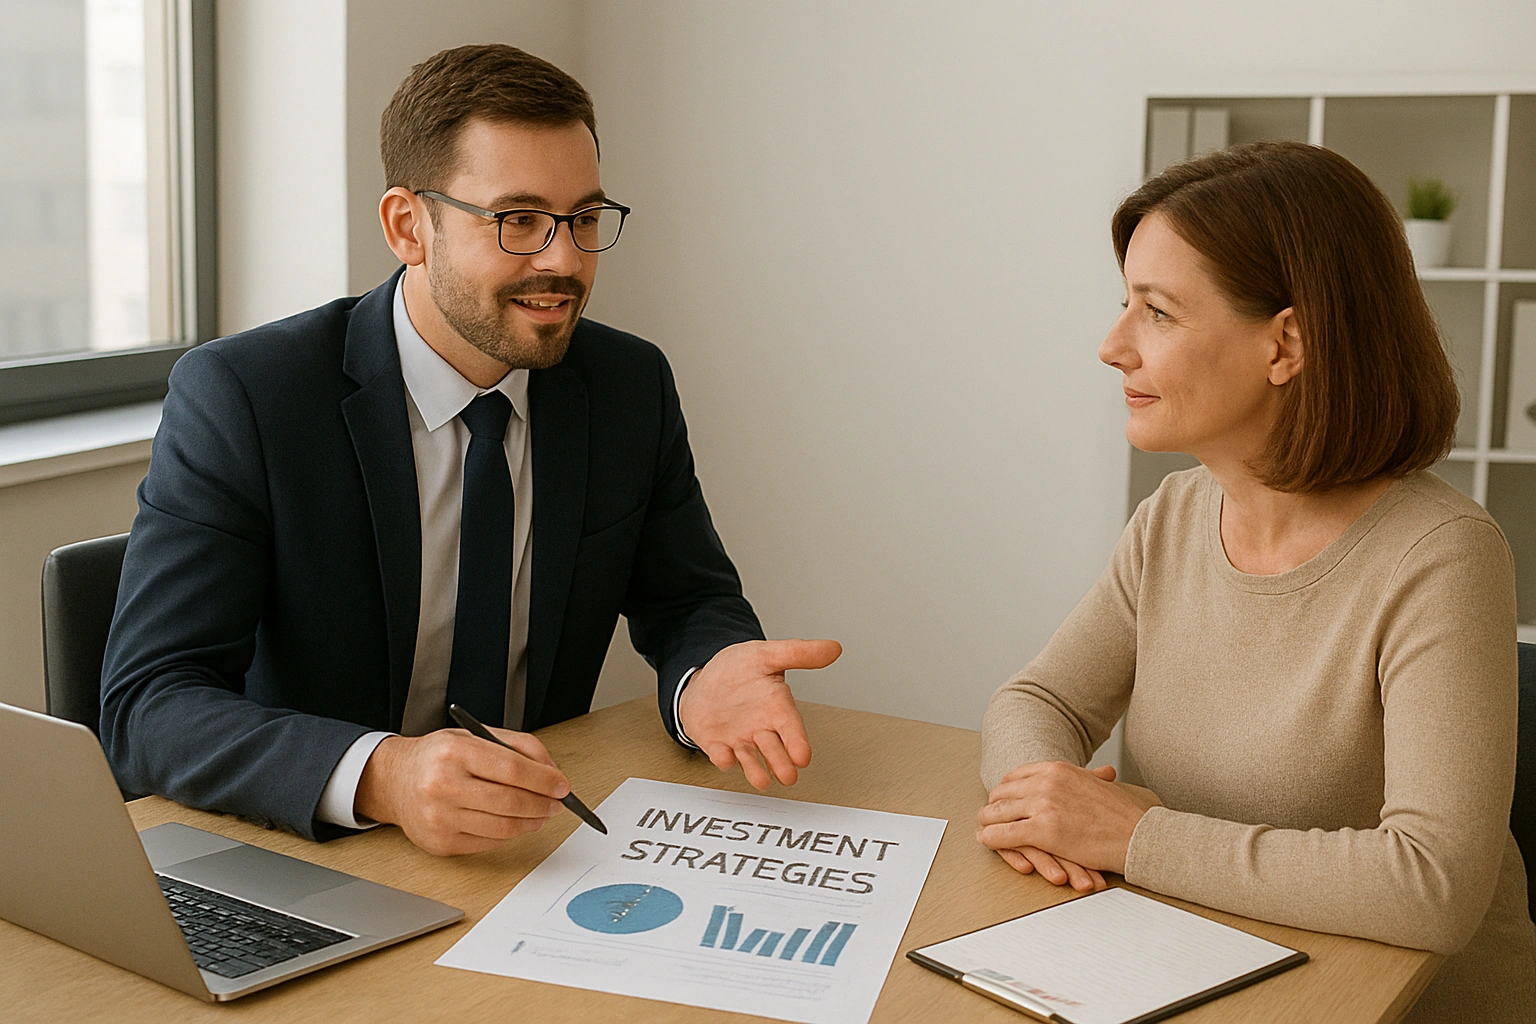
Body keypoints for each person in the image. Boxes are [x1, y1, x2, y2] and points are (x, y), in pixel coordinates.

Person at [100, 44, 840, 857]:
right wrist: (385, 775)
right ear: (407, 227)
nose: (562, 259)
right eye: (517, 220)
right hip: (314, 850)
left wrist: (706, 676)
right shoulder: (246, 396)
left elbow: (686, 599)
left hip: (527, 847)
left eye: (584, 219)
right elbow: (148, 706)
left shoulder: (626, 384)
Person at [975, 141, 1536, 1021]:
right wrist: (1048, 809)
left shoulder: (1444, 554)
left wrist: (1133, 835)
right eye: (1125, 305)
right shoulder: (1173, 516)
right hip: (1190, 965)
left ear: (1287, 343)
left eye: (1157, 312)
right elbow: (1037, 699)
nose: (1112, 346)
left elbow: (1432, 885)